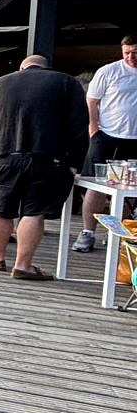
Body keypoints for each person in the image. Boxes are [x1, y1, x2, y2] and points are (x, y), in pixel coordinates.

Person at [0, 54, 89, 281]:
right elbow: (79, 126)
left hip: (5, 156)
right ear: (46, 68)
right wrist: (76, 163)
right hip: (47, 157)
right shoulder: (66, 83)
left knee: (1, 208)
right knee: (34, 210)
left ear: (21, 68)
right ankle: (23, 265)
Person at [73, 34, 137, 252]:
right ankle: (88, 231)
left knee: (129, 189)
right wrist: (94, 129)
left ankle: (117, 233)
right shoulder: (109, 71)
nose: (131, 57)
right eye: (127, 52)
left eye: (135, 53)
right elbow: (92, 100)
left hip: (134, 138)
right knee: (96, 184)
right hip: (108, 134)